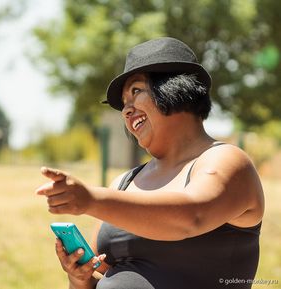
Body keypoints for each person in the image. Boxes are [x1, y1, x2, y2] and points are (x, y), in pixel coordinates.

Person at [36, 37, 264, 289]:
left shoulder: (227, 160)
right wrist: (78, 278)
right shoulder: (123, 184)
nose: (126, 110)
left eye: (136, 92)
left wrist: (91, 200)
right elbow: (102, 274)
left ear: (178, 89)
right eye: (123, 104)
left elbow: (191, 217)